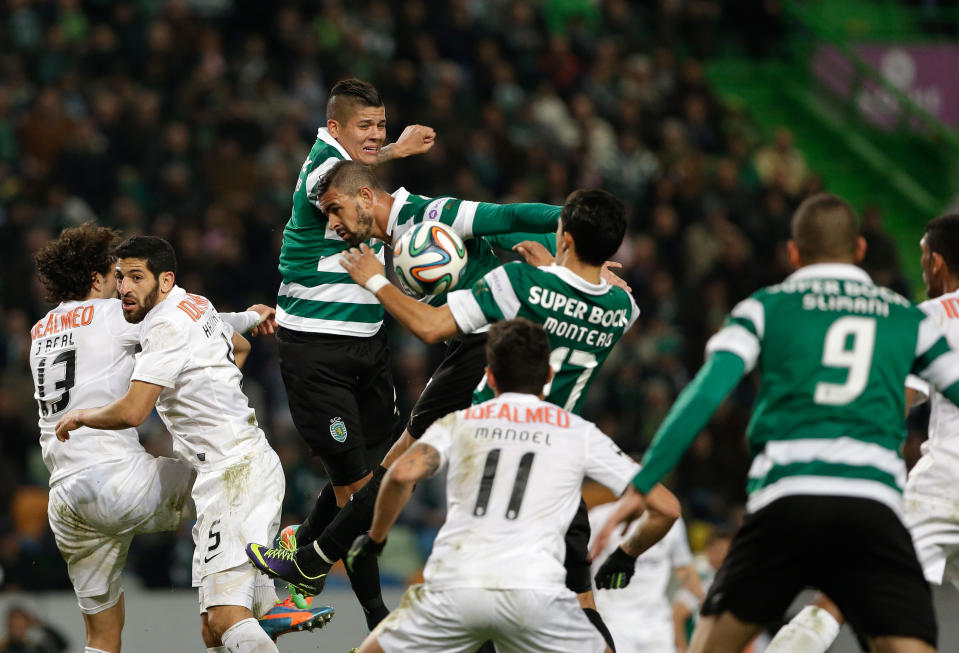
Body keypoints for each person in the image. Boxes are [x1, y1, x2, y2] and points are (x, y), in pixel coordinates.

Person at [248, 179, 679, 652]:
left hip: (487, 402)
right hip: (558, 450)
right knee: (580, 600)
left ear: (567, 238)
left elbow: (432, 326)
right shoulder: (623, 307)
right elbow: (666, 507)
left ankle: (320, 555)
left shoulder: (517, 283)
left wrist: (374, 278)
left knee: (404, 459)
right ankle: (315, 553)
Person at [593, 193, 959, 653]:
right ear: (861, 250)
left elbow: (705, 393)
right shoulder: (908, 319)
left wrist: (643, 483)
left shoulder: (763, 307)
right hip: (873, 504)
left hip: (785, 497)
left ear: (793, 252)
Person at [29, 224, 327, 652]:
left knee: (101, 638)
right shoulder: (112, 314)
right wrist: (251, 315)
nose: (123, 288)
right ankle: (265, 595)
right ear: (97, 279)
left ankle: (256, 596)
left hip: (66, 501)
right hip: (123, 482)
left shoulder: (40, 333)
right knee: (222, 476)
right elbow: (191, 321)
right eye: (117, 277)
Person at [346, 319, 680, 653]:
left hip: (456, 589)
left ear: (489, 376)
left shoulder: (458, 423)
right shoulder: (577, 432)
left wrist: (375, 540)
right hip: (536, 595)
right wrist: (627, 553)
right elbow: (666, 508)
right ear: (549, 376)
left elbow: (402, 475)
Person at [274, 77, 435, 627]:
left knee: (375, 468)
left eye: (380, 126)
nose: (374, 135)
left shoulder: (350, 170)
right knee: (361, 493)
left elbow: (361, 177)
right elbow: (343, 181)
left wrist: (393, 151)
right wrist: (395, 152)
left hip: (368, 348)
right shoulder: (323, 168)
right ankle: (375, 618)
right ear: (335, 127)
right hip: (316, 353)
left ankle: (298, 552)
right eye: (363, 127)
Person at [764, 212, 959, 653]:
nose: (924, 267)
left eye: (925, 257)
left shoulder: (929, 318)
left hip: (943, 481)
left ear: (940, 263)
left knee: (841, 592)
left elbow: (896, 404)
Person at [588, 506, 703, 653]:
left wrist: (704, 602)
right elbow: (580, 564)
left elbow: (684, 566)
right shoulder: (599, 518)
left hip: (657, 623)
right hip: (613, 620)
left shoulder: (671, 520)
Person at [672, 526, 734, 653]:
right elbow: (677, 616)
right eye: (715, 550)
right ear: (707, 550)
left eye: (724, 550)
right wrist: (682, 650)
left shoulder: (733, 581)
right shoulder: (700, 580)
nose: (720, 555)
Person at [0, 607, 68, 653]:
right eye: (14, 626)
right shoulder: (3, 647)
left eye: (20, 626)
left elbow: (61, 645)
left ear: (27, 626)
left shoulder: (35, 648)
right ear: (8, 626)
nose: (17, 630)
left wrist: (40, 624)